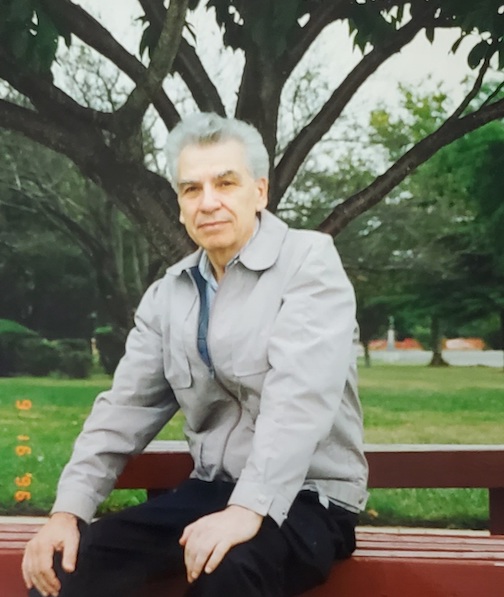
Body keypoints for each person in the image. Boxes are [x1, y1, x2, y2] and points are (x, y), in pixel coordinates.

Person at [22, 113, 368, 597]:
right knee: (65, 570)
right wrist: (67, 513)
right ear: (181, 205)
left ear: (259, 192)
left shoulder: (309, 263)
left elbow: (300, 399)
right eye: (191, 189)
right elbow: (123, 411)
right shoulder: (170, 294)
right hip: (211, 490)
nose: (209, 202)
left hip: (308, 499)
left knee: (225, 570)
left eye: (226, 183)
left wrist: (248, 510)